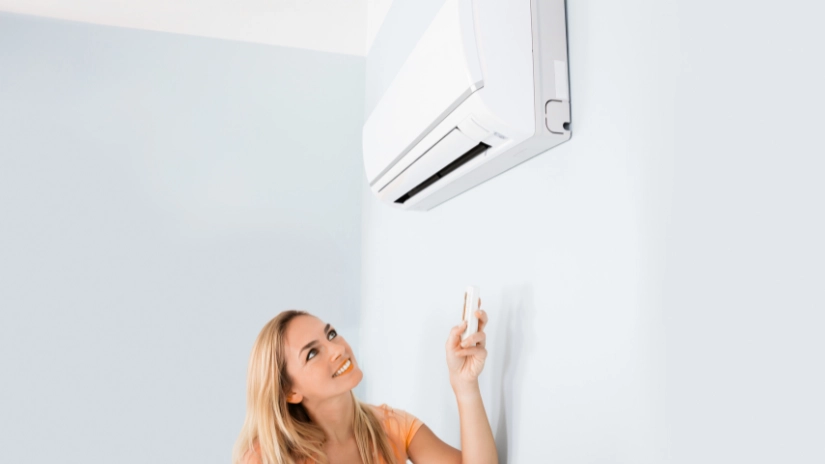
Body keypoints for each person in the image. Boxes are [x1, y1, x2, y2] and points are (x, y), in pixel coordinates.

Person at [231, 303, 497, 464]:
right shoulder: (267, 457)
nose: (337, 349)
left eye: (331, 334)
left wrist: (465, 385)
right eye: (313, 353)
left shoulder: (392, 426)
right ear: (290, 391)